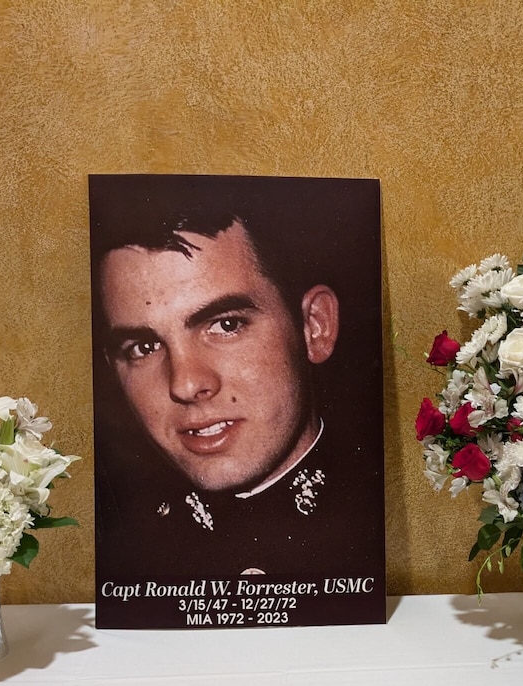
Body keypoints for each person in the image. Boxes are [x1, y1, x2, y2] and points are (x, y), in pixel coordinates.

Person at [89, 175, 384, 628]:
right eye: (142, 348)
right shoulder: (121, 560)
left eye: (225, 325)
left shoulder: (372, 536)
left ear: (314, 327)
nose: (186, 384)